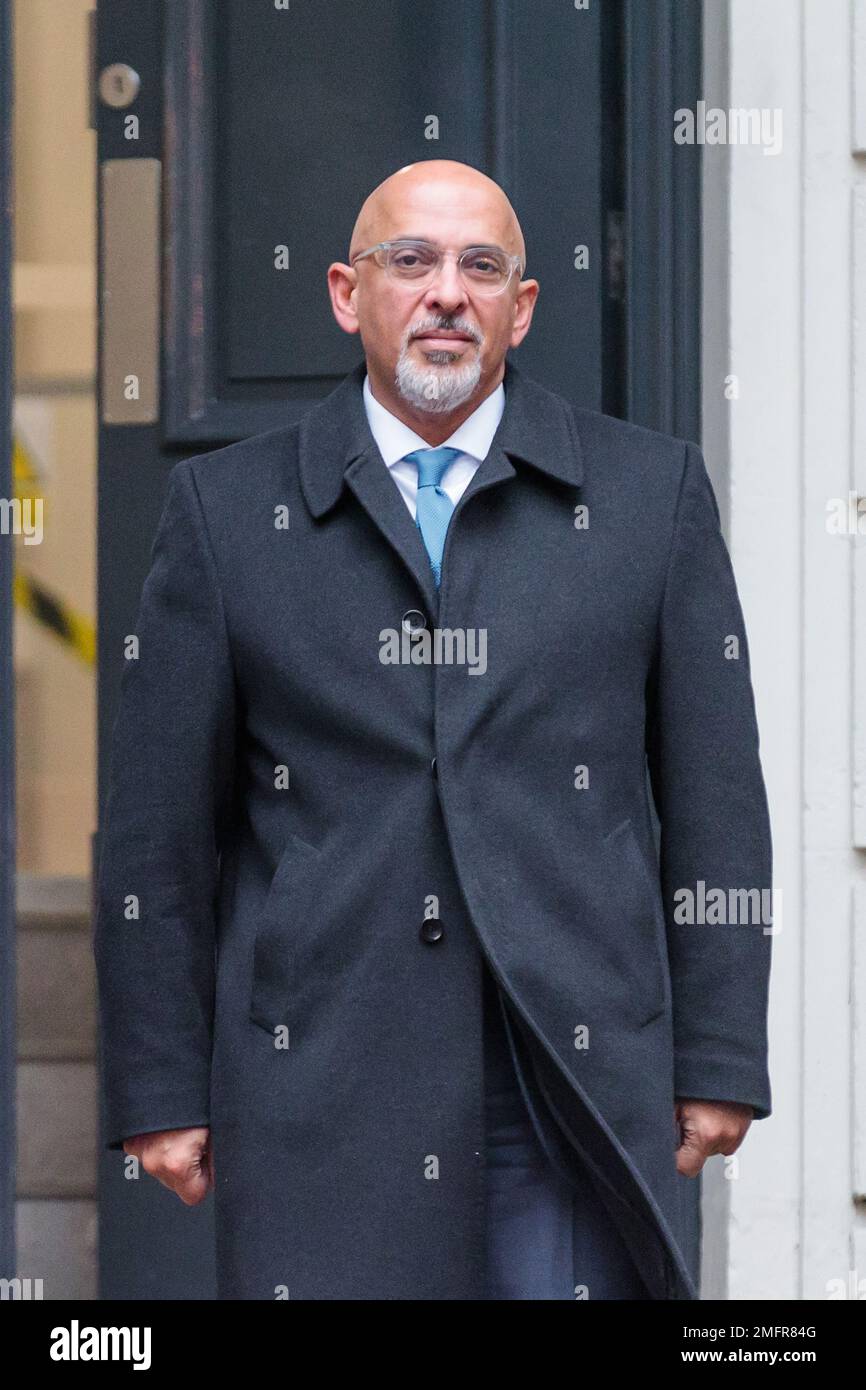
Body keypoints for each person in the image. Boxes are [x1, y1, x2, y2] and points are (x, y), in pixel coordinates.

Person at [94, 159, 773, 1300]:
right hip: (315, 1079)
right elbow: (155, 832)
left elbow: (714, 798)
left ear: (522, 305)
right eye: (409, 260)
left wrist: (715, 1055)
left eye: (480, 265)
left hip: (571, 1077)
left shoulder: (649, 497)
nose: (445, 292)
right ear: (344, 295)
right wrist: (160, 1085)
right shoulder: (224, 516)